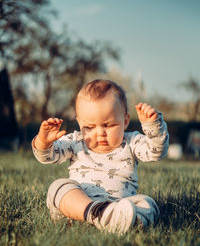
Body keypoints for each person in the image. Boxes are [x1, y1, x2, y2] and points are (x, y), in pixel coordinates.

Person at [32, 79, 169, 234]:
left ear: (125, 121)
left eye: (108, 125)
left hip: (120, 206)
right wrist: (43, 142)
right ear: (79, 123)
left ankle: (116, 219)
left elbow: (156, 151)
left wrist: (153, 127)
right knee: (58, 187)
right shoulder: (76, 141)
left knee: (148, 204)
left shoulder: (132, 142)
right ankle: (99, 215)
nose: (100, 133)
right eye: (89, 127)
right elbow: (48, 156)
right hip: (81, 203)